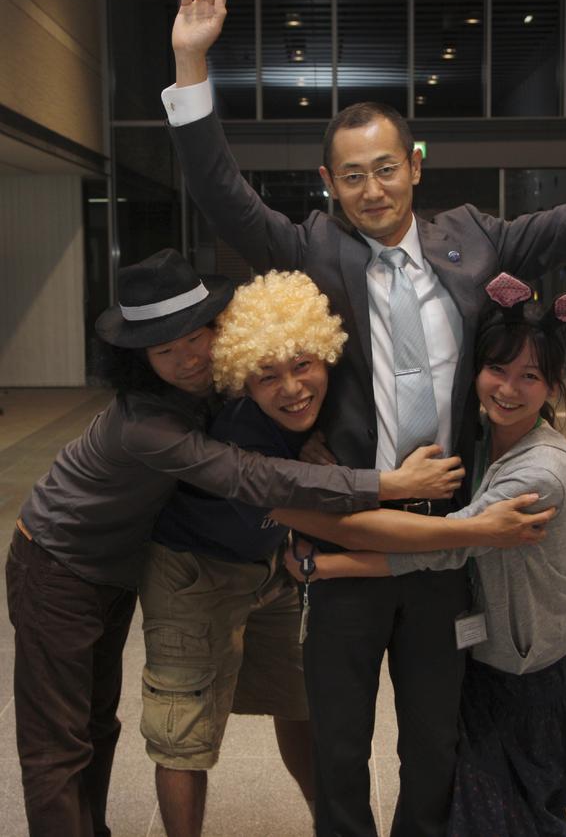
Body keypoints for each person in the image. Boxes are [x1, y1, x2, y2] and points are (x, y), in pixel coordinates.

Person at [162, 0, 566, 834]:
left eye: (387, 168)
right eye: (352, 176)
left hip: (452, 547)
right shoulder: (313, 247)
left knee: (434, 745)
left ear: (414, 165)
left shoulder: (477, 237)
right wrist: (191, 62)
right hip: (351, 536)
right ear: (329, 183)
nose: (373, 188)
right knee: (339, 750)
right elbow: (219, 192)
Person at [5, 250, 471, 837]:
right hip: (58, 565)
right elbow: (250, 476)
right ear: (137, 359)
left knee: (97, 726)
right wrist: (387, 485)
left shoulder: (215, 387)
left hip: (121, 567)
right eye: (164, 350)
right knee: (58, 742)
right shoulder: (146, 424)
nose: (187, 360)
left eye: (196, 338)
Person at [140, 269, 551, 837]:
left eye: (303, 365)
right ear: (242, 380)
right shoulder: (242, 437)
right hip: (208, 568)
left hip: (298, 571)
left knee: (378, 727)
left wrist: (560, 444)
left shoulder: (337, 400)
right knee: (248, 733)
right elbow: (350, 527)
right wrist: (468, 527)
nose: (291, 388)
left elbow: (501, 405)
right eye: (267, 376)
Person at [279, 272, 566, 836]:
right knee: (344, 745)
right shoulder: (479, 426)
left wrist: (320, 559)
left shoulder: (535, 465)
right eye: (497, 370)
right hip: (444, 616)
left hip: (501, 630)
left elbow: (449, 549)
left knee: (456, 762)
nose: (508, 388)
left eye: (530, 377)